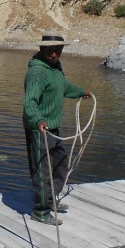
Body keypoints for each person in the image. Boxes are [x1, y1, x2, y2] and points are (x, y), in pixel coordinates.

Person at [22, 34, 92, 225]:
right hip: (39, 130)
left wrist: (81, 91)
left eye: (58, 50)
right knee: (43, 171)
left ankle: (50, 200)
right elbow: (30, 102)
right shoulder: (37, 73)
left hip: (52, 128)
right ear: (42, 49)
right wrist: (38, 120)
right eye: (50, 50)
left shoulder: (55, 68)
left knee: (60, 163)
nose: (54, 54)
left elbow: (64, 87)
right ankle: (41, 212)